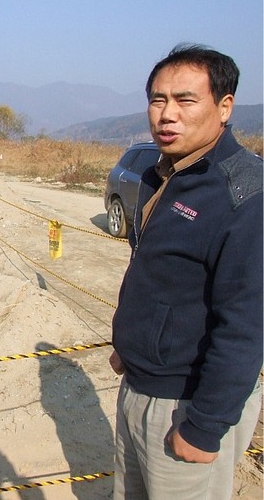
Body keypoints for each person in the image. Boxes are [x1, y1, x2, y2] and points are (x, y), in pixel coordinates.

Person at [109, 43, 263, 499]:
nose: (166, 114)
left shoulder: (245, 195)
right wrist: (130, 348)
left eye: (185, 100)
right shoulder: (165, 174)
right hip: (138, 386)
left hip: (186, 403)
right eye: (158, 99)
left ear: (225, 106)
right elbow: (156, 276)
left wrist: (204, 426)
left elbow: (247, 325)